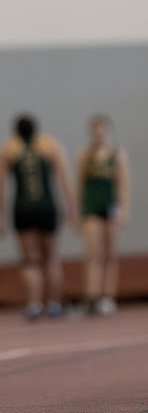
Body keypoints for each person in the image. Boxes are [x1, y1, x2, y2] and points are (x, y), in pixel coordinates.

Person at [0, 115, 75, 320]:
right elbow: (64, 178)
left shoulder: (9, 150)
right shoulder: (49, 145)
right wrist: (71, 206)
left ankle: (33, 304)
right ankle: (53, 304)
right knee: (50, 258)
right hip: (46, 207)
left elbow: (2, 187)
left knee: (30, 260)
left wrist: (1, 216)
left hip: (23, 209)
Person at [78, 115, 131, 315]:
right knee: (93, 255)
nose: (100, 135)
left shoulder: (117, 154)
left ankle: (107, 297)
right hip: (92, 208)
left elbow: (124, 184)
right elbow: (80, 184)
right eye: (96, 131)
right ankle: (92, 295)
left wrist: (124, 210)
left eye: (103, 131)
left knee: (110, 255)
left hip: (110, 208)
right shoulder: (85, 155)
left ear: (109, 132)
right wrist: (78, 210)